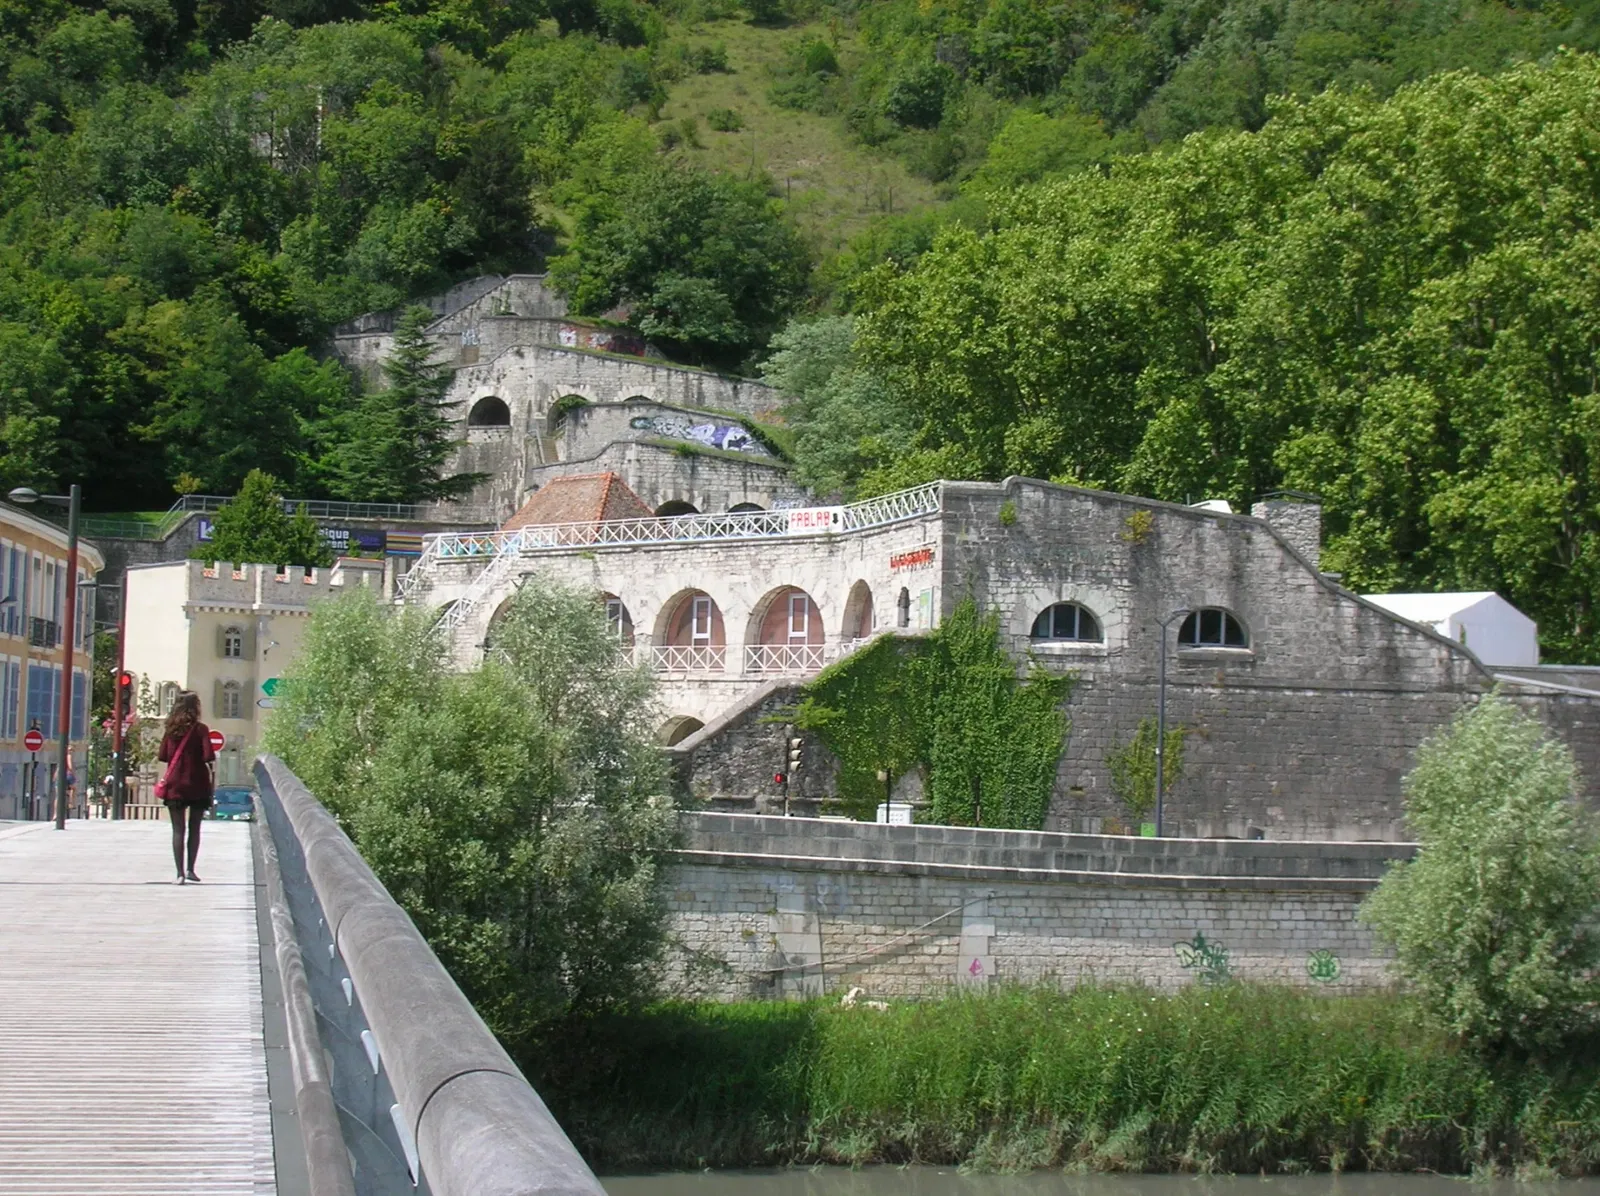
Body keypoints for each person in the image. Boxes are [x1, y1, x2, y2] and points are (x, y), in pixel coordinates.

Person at [156, 692, 216, 885]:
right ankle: (191, 869)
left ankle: (179, 873)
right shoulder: (201, 730)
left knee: (178, 830)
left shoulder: (171, 730)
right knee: (195, 827)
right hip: (197, 784)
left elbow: (163, 755)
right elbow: (208, 756)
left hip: (175, 785)